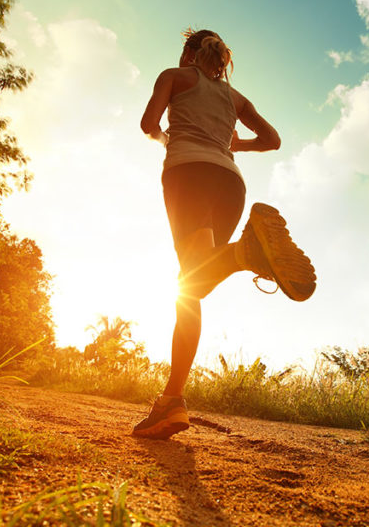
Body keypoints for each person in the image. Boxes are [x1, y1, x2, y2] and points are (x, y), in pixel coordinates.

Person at [132, 28, 316, 439]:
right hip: (230, 183)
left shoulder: (174, 76)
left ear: (188, 52)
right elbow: (272, 140)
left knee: (192, 282)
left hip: (188, 174)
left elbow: (148, 124)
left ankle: (243, 253)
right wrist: (236, 146)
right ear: (220, 59)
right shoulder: (235, 98)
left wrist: (166, 138)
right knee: (193, 284)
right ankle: (172, 401)